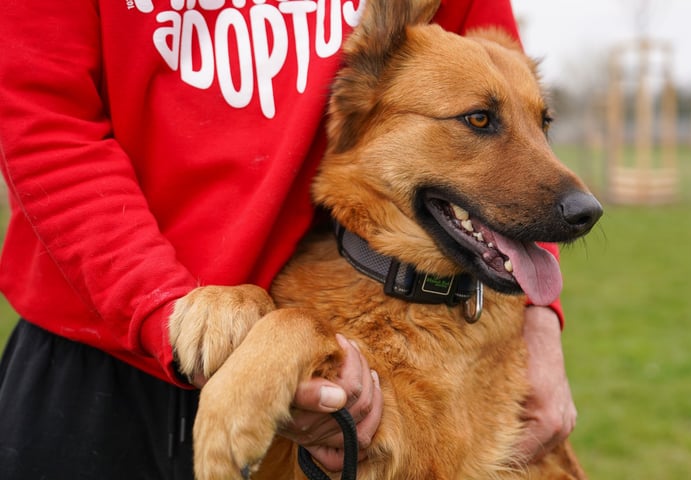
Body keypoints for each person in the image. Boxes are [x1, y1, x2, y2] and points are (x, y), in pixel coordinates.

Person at [0, 0, 576, 478]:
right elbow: (47, 123)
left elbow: (489, 63)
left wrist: (539, 315)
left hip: (320, 346)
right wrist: (155, 304)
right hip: (98, 355)